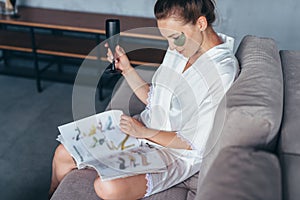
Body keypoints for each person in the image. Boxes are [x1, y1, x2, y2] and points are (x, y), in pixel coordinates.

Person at [49, 0, 239, 199]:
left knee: (109, 187)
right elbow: (156, 101)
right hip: (142, 129)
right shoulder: (184, 47)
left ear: (200, 24)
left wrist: (143, 132)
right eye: (167, 39)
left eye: (175, 38)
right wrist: (127, 69)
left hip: (175, 153)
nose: (172, 47)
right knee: (62, 154)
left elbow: (195, 142)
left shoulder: (221, 72)